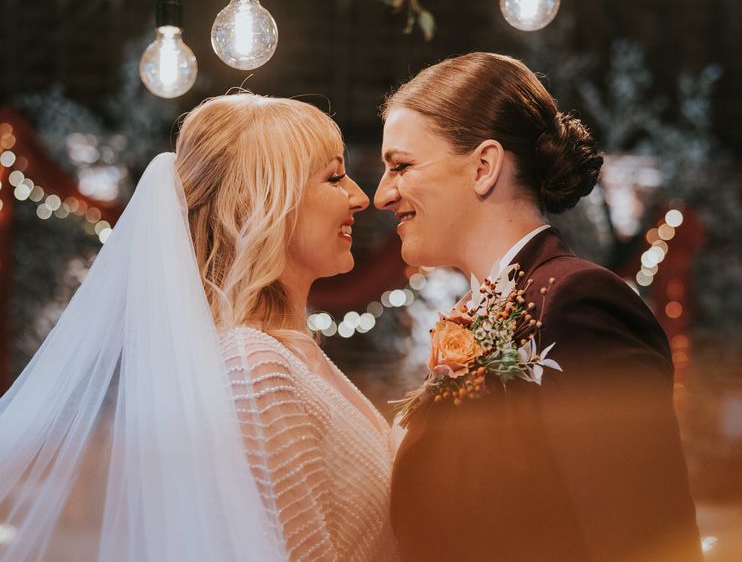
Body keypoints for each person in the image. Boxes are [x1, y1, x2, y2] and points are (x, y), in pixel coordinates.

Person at [0, 93, 398, 562]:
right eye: (334, 177)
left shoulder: (289, 355)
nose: (359, 196)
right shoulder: (258, 370)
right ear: (267, 202)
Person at [374, 53, 702, 562]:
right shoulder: (488, 308)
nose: (382, 195)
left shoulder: (577, 304)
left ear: (483, 167)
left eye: (401, 166)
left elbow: (645, 536)